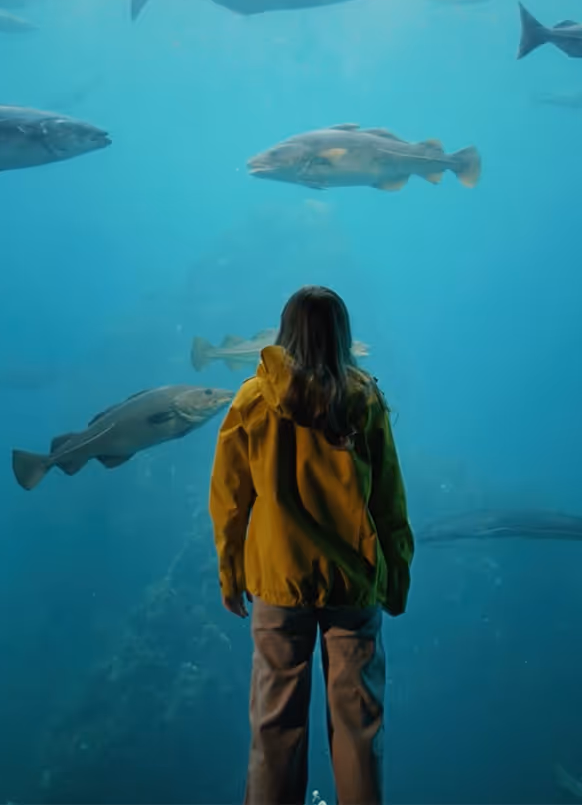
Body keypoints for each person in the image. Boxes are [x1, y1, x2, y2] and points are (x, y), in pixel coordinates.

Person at [209, 285, 414, 805]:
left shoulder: (252, 400)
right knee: (359, 730)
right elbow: (389, 499)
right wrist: (397, 577)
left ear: (285, 331)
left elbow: (229, 499)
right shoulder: (364, 398)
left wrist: (231, 574)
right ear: (342, 335)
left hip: (278, 584)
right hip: (354, 586)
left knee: (274, 729)